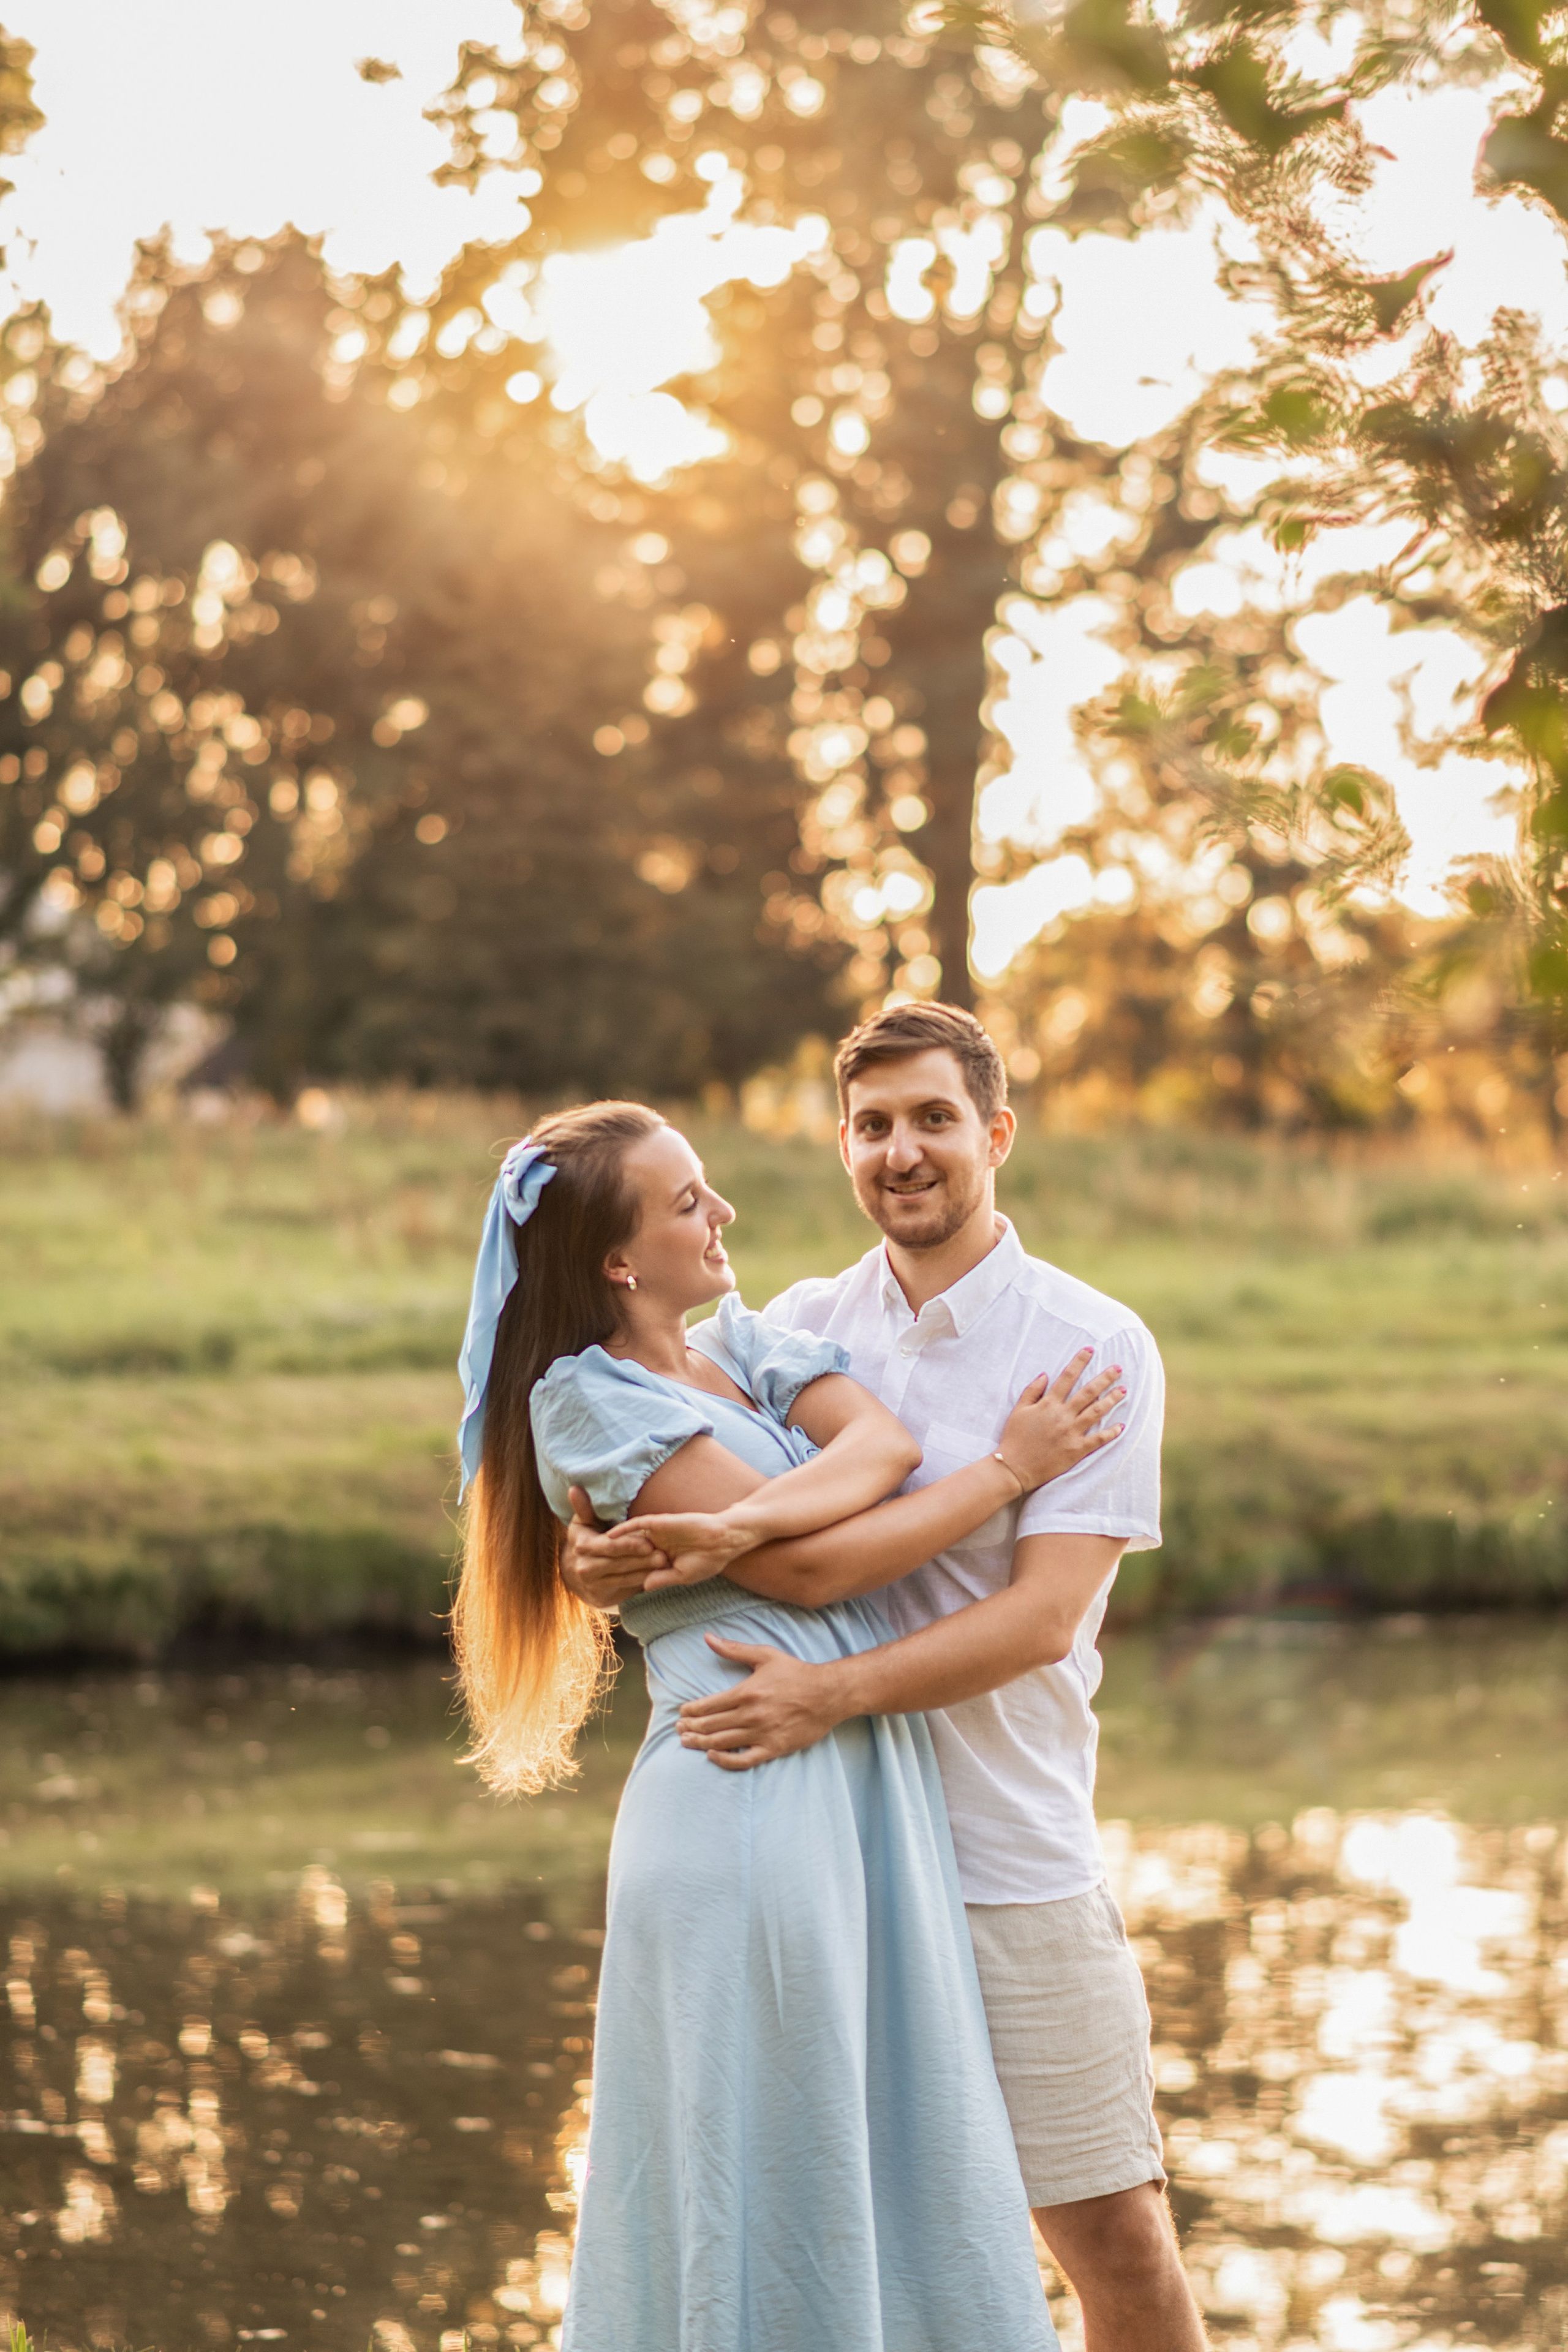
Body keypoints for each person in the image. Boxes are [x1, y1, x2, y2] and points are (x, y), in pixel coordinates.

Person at [565, 1003, 1211, 2352]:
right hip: (823, 1853)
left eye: (932, 1120)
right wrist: (593, 1566)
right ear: (843, 1146)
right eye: (872, 1126)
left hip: (1003, 1855)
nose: (901, 1151)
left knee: (1116, 2242)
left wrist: (833, 1693)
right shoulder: (790, 1326)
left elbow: (1043, 1620)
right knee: (853, 2252)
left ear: (997, 1134)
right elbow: (678, 1501)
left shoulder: (1089, 1346)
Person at [450, 1097, 1125, 2352]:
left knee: (884, 2150)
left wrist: (736, 1526)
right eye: (687, 1201)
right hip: (748, 1783)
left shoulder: (741, 1345)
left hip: (857, 1787)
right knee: (775, 2160)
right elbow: (818, 1574)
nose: (722, 1211)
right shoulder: (586, 1404)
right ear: (616, 1259)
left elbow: (883, 1447)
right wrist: (1007, 1472)